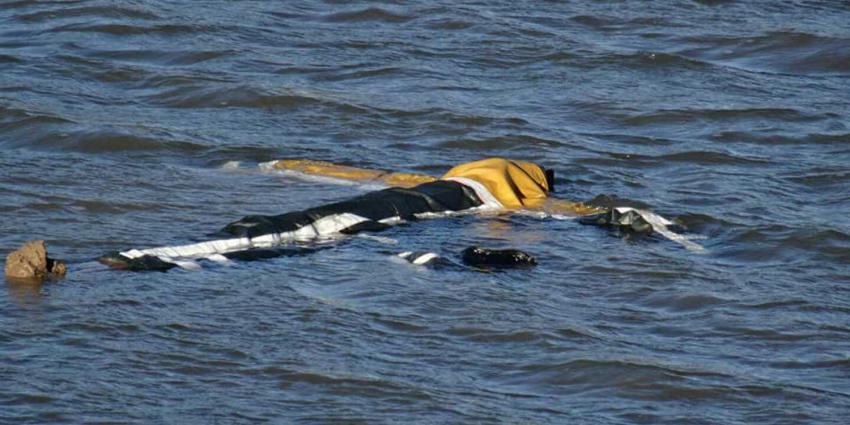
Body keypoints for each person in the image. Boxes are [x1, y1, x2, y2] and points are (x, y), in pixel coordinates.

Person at [98, 157, 702, 271]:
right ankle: (163, 259)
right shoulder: (531, 201)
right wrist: (679, 237)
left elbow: (347, 173)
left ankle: (166, 253)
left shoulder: (434, 177)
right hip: (406, 214)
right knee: (315, 236)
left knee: (309, 223)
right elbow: (614, 214)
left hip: (388, 196)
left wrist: (272, 166)